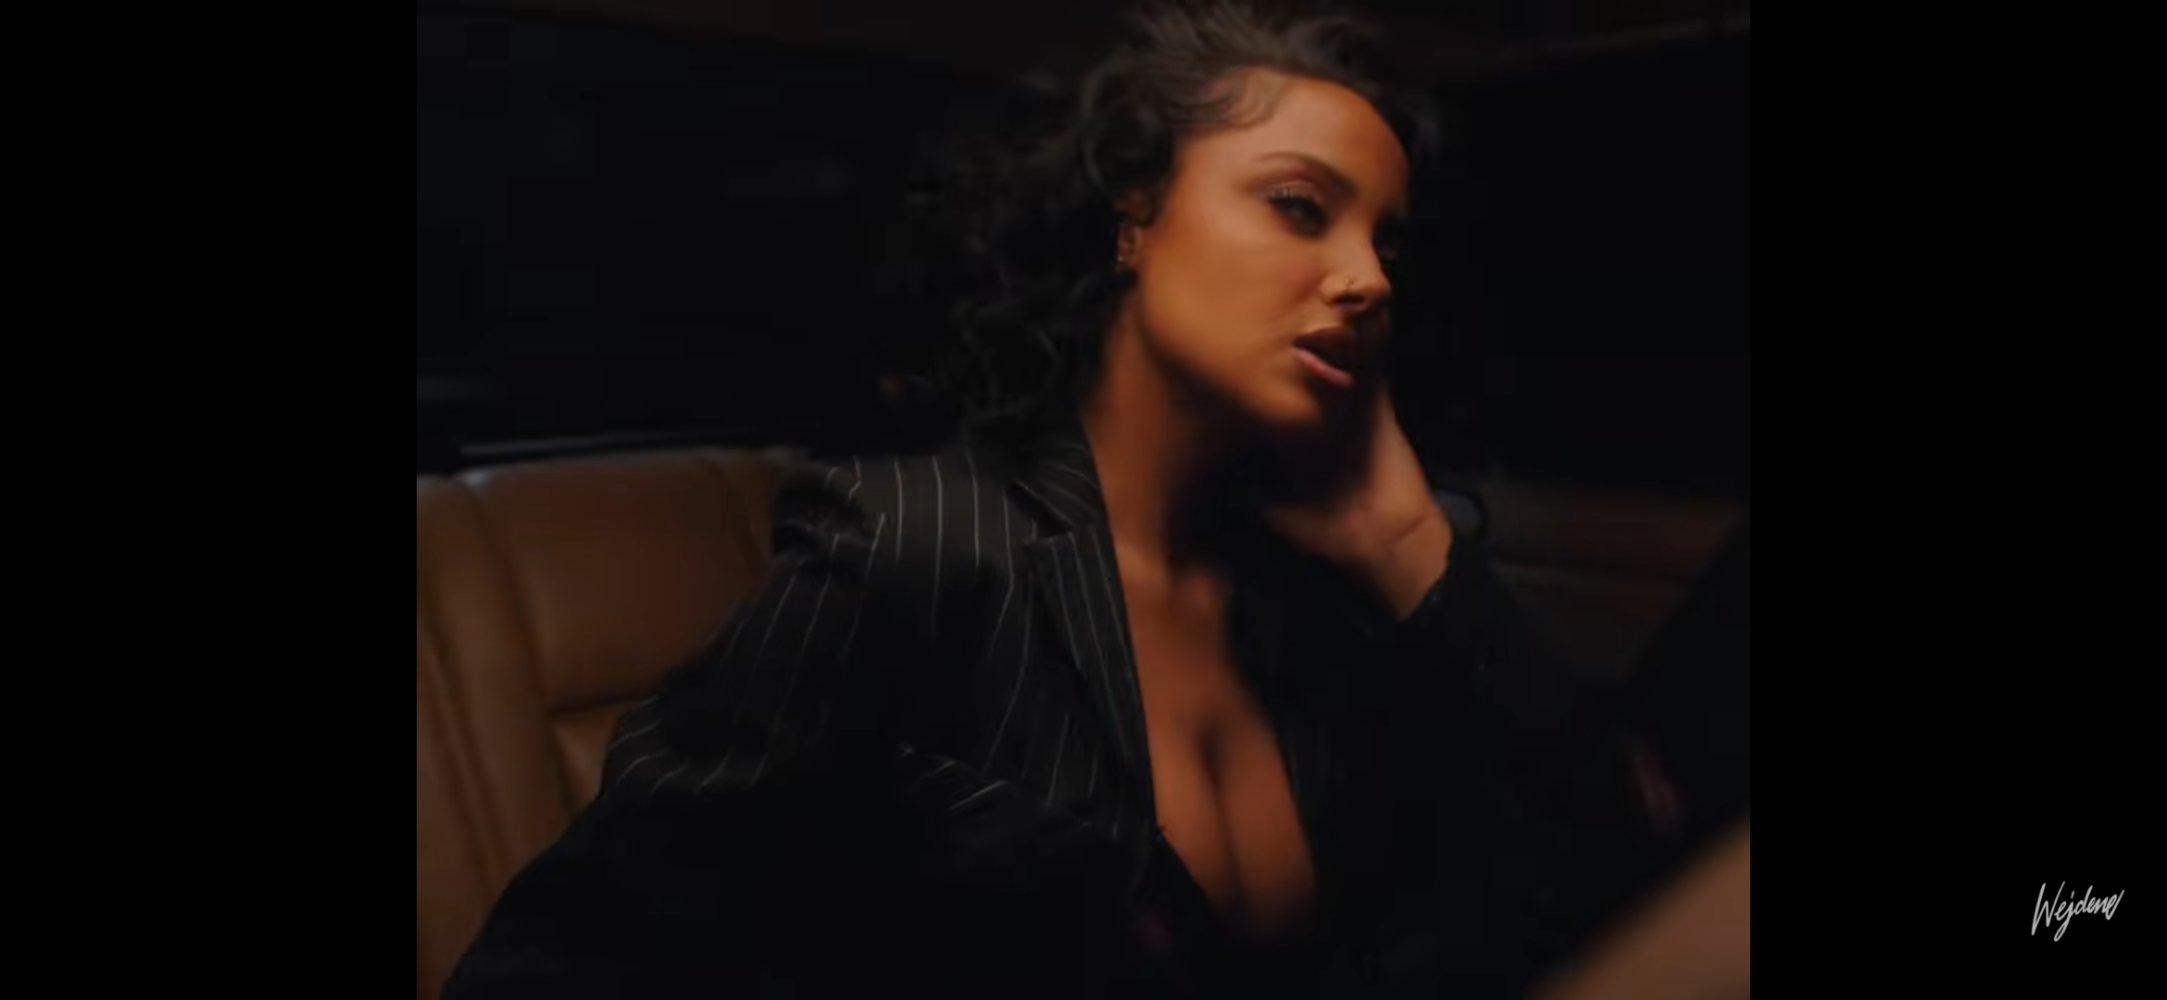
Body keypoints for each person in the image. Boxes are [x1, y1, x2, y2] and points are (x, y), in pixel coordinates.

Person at [446, 3, 1668, 996]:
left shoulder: (1320, 597)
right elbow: (566, 957)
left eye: (1385, 246)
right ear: (1134, 218)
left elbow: (1609, 888)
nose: (1364, 279)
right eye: (1300, 207)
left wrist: (1401, 542)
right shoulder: (914, 550)